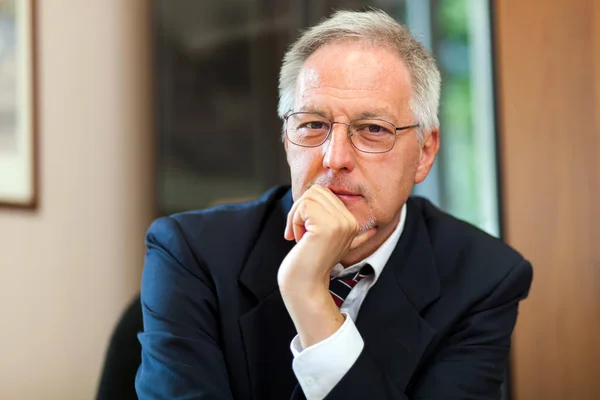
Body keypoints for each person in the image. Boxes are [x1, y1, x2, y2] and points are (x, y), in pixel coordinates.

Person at [135, 9, 532, 400]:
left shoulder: (483, 277)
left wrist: (309, 299)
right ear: (287, 138)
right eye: (313, 125)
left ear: (425, 152)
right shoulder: (191, 252)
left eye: (373, 129)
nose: (334, 157)